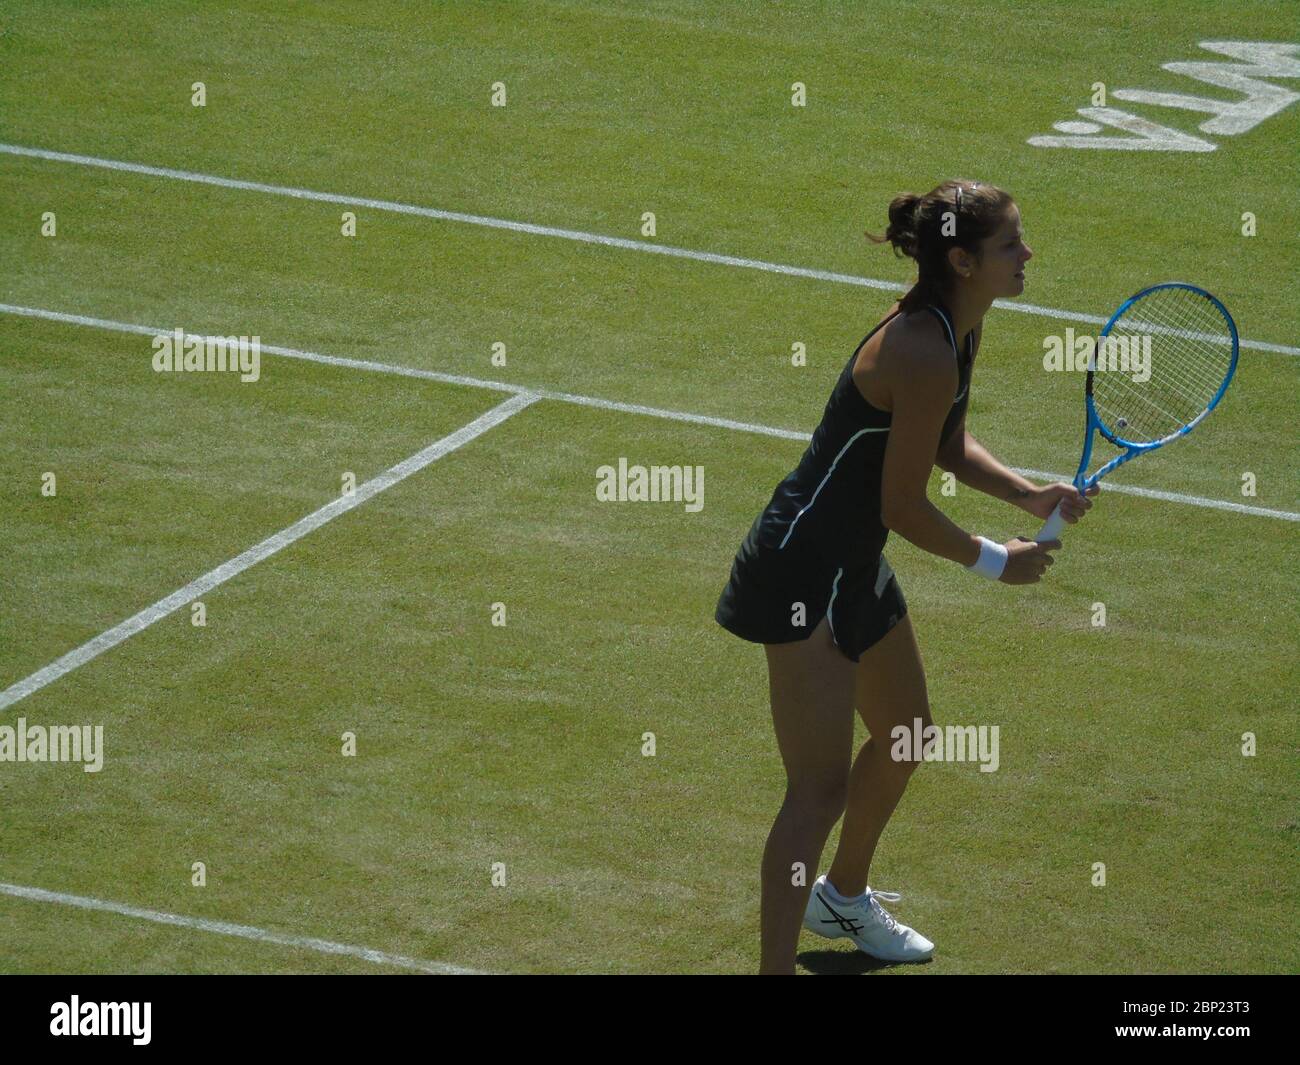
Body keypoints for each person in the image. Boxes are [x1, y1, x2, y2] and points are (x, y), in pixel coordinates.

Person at [714, 180, 1097, 975]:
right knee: (815, 791)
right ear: (962, 260)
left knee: (908, 732)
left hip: (850, 560)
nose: (1028, 255)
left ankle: (842, 898)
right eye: (1010, 245)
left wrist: (1030, 492)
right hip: (803, 570)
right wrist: (998, 560)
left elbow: (945, 443)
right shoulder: (921, 348)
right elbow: (902, 502)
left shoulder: (955, 327)